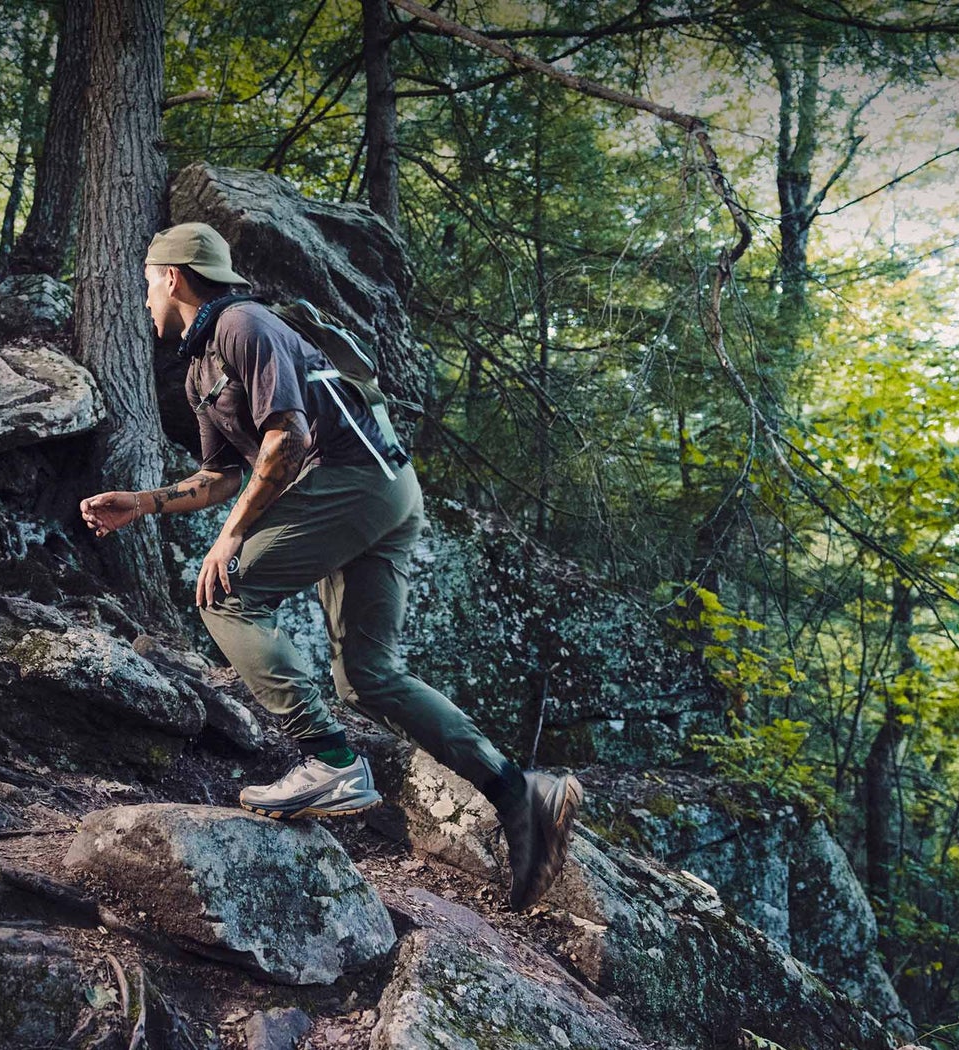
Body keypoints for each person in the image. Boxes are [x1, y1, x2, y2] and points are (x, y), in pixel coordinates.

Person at [78, 221, 584, 910]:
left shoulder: (242, 324)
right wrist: (141, 503)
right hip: (386, 487)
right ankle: (518, 791)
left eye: (147, 282)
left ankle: (331, 760)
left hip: (354, 479)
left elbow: (288, 438)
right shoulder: (201, 368)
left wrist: (230, 539)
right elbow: (221, 475)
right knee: (368, 676)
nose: (143, 299)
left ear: (172, 276)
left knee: (226, 593)